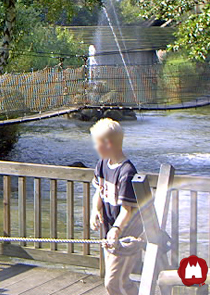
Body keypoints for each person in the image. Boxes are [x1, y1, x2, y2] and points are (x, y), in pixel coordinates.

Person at [89, 118, 143, 295]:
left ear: (108, 144)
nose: (95, 147)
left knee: (113, 282)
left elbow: (128, 209)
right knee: (116, 281)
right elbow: (99, 190)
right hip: (109, 232)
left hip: (125, 235)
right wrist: (95, 210)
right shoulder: (102, 164)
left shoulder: (126, 172)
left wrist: (116, 230)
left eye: (96, 143)